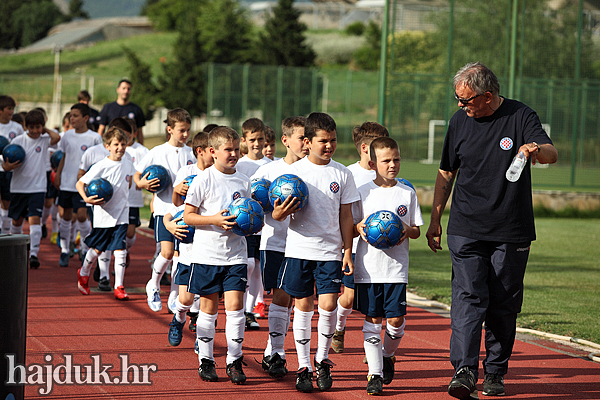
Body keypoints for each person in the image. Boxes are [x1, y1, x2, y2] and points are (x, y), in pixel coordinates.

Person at [425, 62, 558, 399]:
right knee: (468, 297)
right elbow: (445, 172)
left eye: (465, 99)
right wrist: (436, 217)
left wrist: (535, 150)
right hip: (466, 227)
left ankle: (495, 372)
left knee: (503, 303)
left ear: (487, 96)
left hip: (510, 230)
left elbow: (552, 154)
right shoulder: (459, 122)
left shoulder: (521, 116)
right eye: (457, 98)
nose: (459, 105)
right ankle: (464, 370)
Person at [276, 112, 359, 392]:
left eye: (333, 141)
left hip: (330, 252)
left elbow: (346, 216)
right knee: (303, 306)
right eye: (323, 141)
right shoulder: (293, 174)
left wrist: (347, 250)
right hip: (299, 250)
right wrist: (278, 212)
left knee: (328, 306)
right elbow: (277, 213)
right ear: (308, 142)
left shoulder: (342, 173)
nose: (329, 146)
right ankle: (303, 366)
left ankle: (322, 360)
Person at [352, 137, 423, 395]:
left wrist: (406, 229)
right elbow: (350, 226)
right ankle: (374, 374)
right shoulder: (362, 192)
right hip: (368, 268)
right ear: (373, 163)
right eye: (386, 160)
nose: (393, 164)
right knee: (373, 319)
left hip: (396, 268)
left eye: (396, 159)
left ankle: (387, 355)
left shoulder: (407, 192)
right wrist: (358, 227)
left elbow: (415, 231)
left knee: (395, 320)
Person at [183, 126, 250, 385]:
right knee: (208, 309)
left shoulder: (244, 181)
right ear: (212, 152)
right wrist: (214, 220)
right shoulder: (203, 179)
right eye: (228, 150)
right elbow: (188, 216)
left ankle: (234, 360)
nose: (233, 154)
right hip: (208, 255)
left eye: (236, 149)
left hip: (235, 256)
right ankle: (207, 359)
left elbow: (249, 215)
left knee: (235, 308)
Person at [251, 116, 308, 379]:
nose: (306, 144)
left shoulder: (314, 170)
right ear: (285, 140)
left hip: (306, 245)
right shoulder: (266, 172)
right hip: (274, 242)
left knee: (300, 301)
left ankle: (277, 353)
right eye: (301, 139)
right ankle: (276, 353)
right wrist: (269, 211)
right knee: (281, 298)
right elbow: (251, 207)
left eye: (309, 139)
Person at [331, 121, 389, 354]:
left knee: (377, 302)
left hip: (381, 249)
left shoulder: (385, 172)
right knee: (350, 297)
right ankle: (339, 326)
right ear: (365, 148)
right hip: (353, 246)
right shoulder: (349, 174)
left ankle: (373, 350)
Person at [134, 108, 195, 312]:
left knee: (180, 255)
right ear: (169, 129)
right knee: (167, 252)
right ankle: (153, 284)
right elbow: (137, 176)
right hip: (163, 209)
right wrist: (143, 184)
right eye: (181, 130)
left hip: (183, 211)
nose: (185, 134)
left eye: (187, 130)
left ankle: (175, 294)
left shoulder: (191, 153)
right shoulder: (157, 151)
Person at [76, 127, 135, 300]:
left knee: (120, 249)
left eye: (123, 144)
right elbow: (80, 183)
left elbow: (130, 180)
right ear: (107, 146)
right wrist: (87, 199)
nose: (120, 148)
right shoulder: (101, 165)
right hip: (104, 213)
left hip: (122, 212)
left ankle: (119, 286)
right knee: (97, 250)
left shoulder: (128, 161)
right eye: (116, 144)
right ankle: (84, 272)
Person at [3, 110, 60, 268]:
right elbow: (5, 163)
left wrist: (45, 129)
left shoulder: (44, 140)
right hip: (18, 188)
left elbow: (57, 138)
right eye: (32, 127)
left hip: (37, 188)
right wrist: (7, 166)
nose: (35, 131)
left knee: (35, 220)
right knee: (17, 221)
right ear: (26, 127)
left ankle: (33, 254)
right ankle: (15, 253)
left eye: (38, 127)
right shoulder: (18, 141)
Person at [54, 103, 103, 267]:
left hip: (84, 184)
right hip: (67, 182)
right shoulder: (67, 136)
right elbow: (65, 156)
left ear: (85, 118)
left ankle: (83, 248)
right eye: (70, 115)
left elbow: (98, 162)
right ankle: (65, 250)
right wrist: (58, 174)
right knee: (66, 216)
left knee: (82, 216)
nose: (71, 118)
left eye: (75, 115)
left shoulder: (94, 137)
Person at [236, 117, 271, 329]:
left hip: (265, 226)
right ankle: (240, 309)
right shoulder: (240, 164)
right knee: (247, 265)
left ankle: (249, 310)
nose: (257, 144)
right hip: (245, 224)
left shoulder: (271, 164)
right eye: (252, 139)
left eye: (260, 139)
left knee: (258, 267)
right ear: (244, 140)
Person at [0, 95, 25, 234]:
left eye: (13, 109)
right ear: (0, 110)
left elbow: (22, 147)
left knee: (6, 202)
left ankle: (4, 233)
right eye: (9, 108)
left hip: (11, 171)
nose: (11, 112)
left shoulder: (16, 127)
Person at [98, 79, 146, 144]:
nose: (126, 91)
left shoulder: (136, 109)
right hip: (112, 146)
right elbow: (101, 129)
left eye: (128, 89)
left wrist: (141, 147)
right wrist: (100, 146)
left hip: (129, 146)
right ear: (118, 90)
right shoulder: (108, 108)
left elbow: (139, 131)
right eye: (123, 88)